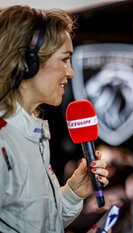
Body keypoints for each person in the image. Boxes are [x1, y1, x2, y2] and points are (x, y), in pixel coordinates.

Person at [0, 5, 109, 233]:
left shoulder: (30, 132)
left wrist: (72, 193)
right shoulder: (5, 139)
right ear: (27, 62)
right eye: (64, 59)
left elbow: (33, 223)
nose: (71, 72)